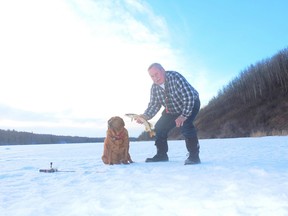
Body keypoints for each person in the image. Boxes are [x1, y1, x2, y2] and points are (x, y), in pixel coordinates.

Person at [136, 63, 201, 165]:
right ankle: (161, 155)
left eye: (156, 74)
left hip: (191, 103)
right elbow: (154, 105)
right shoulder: (154, 88)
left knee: (186, 125)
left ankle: (194, 156)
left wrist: (183, 116)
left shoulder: (175, 78)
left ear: (163, 70)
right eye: (152, 76)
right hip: (172, 109)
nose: (155, 78)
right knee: (159, 127)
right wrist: (145, 116)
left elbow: (189, 97)